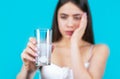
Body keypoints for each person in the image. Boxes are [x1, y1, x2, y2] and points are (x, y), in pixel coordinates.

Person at [17, 0, 109, 79]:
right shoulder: (45, 48)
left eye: (77, 17)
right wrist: (28, 71)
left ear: (86, 19)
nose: (70, 24)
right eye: (63, 17)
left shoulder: (99, 50)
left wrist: (74, 42)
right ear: (56, 18)